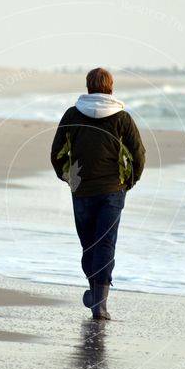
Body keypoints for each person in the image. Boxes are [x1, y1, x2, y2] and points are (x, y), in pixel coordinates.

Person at [50, 67, 145, 320]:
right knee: (105, 243)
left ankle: (97, 297)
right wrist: (128, 182)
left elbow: (56, 153)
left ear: (88, 86)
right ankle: (98, 301)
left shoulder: (73, 114)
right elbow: (138, 155)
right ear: (110, 87)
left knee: (89, 244)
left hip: (81, 189)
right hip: (113, 190)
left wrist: (69, 178)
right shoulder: (122, 118)